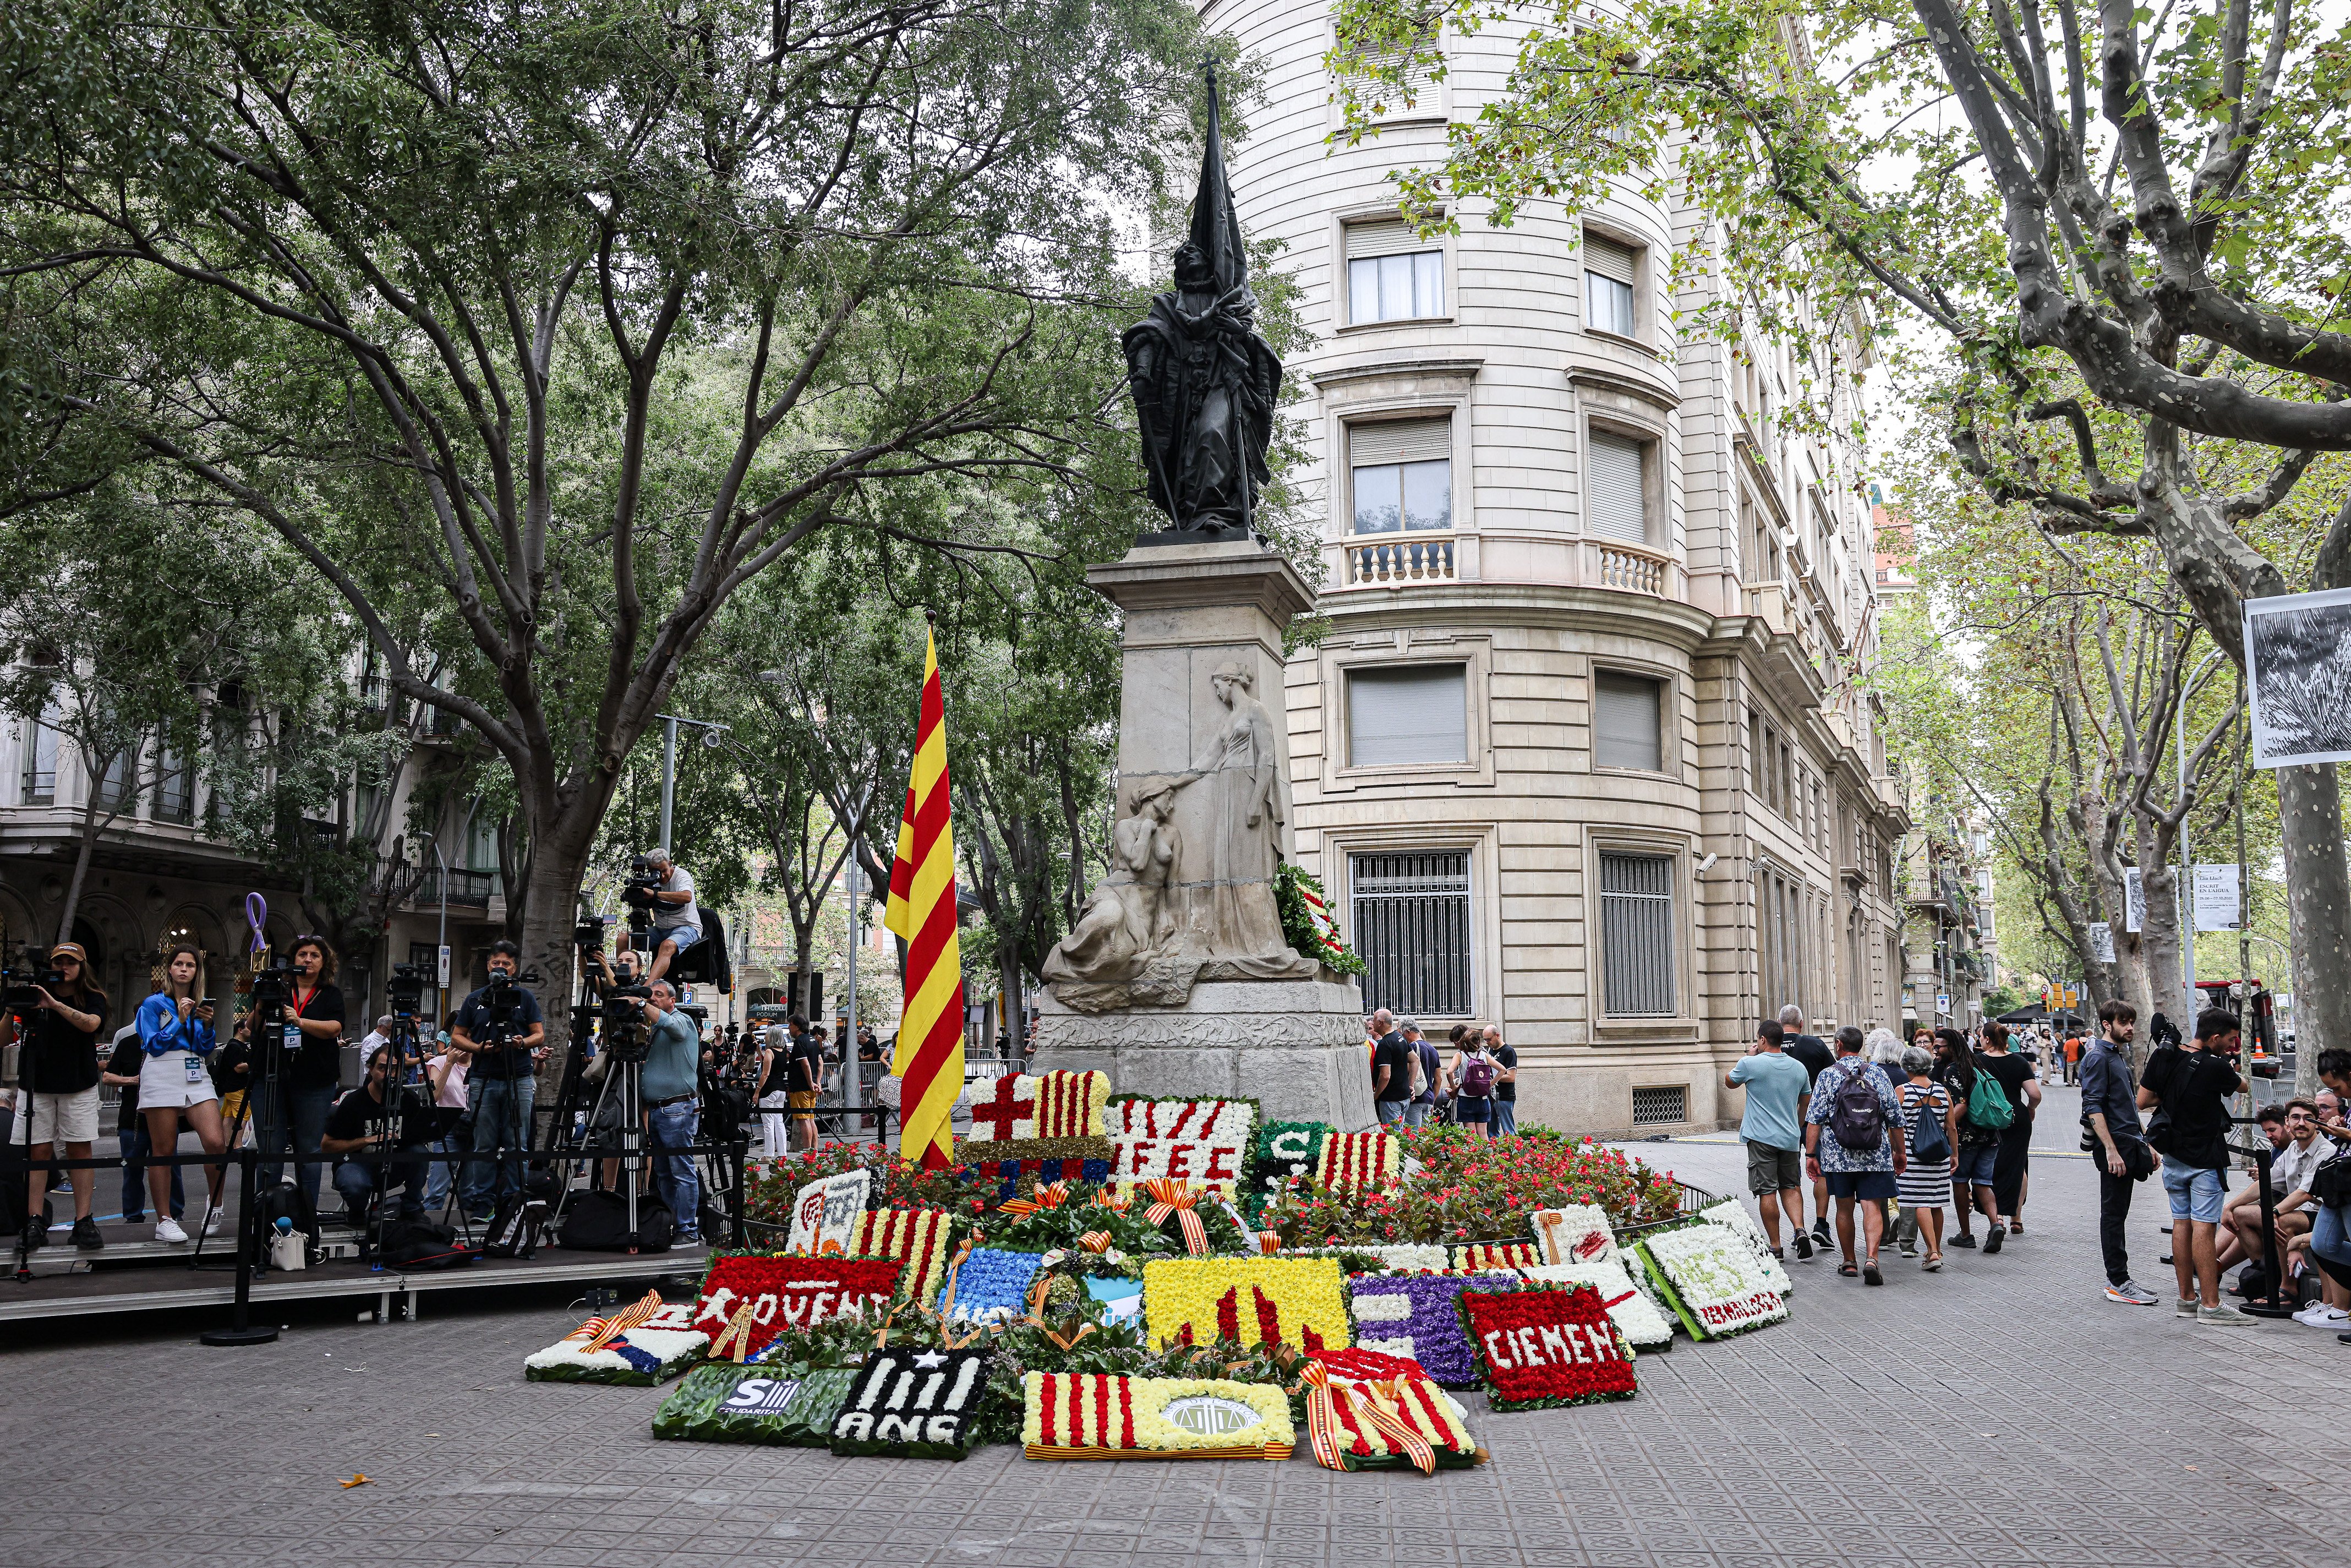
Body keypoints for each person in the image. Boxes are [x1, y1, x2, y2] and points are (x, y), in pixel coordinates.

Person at [2141, 1009, 2255, 1325]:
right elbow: (2243, 1086)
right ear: (2215, 1037)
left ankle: (2186, 1300)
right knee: (2205, 1227)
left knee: (2181, 1223)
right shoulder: (2217, 1066)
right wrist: (2231, 1070)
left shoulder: (2164, 1057)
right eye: (2231, 1041)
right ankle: (2211, 1304)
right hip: (2205, 1158)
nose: (2233, 1047)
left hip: (2173, 1154)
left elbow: (2142, 1100)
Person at [2, 942, 110, 1252]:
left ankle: (83, 1220)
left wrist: (53, 1003)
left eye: (71, 963)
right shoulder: (32, 994)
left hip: (78, 1084)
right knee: (37, 1153)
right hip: (37, 1083)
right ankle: (34, 1220)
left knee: (80, 1151)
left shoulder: (93, 997)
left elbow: (92, 1024)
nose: (64, 968)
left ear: (82, 967)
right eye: (59, 962)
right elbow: (2, 1038)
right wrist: (11, 1010)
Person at [134, 944, 231, 1241]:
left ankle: (215, 1204)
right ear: (169, 969)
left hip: (196, 1070)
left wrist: (208, 1024)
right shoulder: (152, 1004)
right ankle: (165, 1219)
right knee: (163, 1149)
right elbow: (153, 1044)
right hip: (162, 1070)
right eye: (178, 964)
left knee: (216, 1142)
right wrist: (179, 1017)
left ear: (196, 972)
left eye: (190, 965)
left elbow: (204, 1048)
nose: (184, 969)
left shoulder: (200, 1002)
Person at [1802, 1025, 1906, 1283]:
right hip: (1875, 1153)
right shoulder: (1879, 1075)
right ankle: (1872, 1258)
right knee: (1872, 1206)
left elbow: (1814, 1119)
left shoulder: (1828, 1076)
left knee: (1844, 1208)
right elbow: (1895, 1118)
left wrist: (1811, 1154)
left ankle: (1849, 1261)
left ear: (1838, 1045)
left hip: (1839, 1156)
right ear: (1861, 1047)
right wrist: (1899, 1152)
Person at [450, 939, 546, 1219]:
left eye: (506, 964)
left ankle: (515, 1201)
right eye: (496, 963)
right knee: (484, 1143)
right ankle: (483, 1202)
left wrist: (522, 1043)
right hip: (483, 1077)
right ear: (488, 966)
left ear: (514, 968)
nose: (501, 968)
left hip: (520, 1078)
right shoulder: (475, 999)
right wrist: (478, 1048)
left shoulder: (524, 997)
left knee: (518, 1142)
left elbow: (539, 1035)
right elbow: (457, 1035)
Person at [256, 933, 347, 1210]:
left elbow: (334, 1028)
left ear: (324, 963)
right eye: (302, 955)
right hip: (271, 1076)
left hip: (314, 1081)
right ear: (292, 960)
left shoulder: (331, 994)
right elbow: (253, 1027)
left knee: (309, 1149)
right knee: (270, 1149)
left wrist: (300, 1021)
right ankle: (266, 1211)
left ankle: (308, 1213)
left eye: (315, 955)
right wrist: (263, 1001)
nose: (308, 959)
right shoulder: (279, 989)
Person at [2079, 998, 2160, 1304]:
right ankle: (2118, 1282)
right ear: (2106, 1025)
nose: (2130, 1028)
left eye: (2132, 1022)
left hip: (2128, 1143)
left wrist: (2145, 1143)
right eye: (2123, 1023)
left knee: (2118, 1213)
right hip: (2116, 1148)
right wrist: (2111, 1151)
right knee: (2113, 1215)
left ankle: (2121, 1279)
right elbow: (2093, 1107)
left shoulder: (2116, 1057)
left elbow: (2127, 1109)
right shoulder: (2099, 1058)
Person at [1725, 1020, 1813, 1260]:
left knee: (1767, 1191)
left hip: (1761, 1137)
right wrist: (1798, 1125)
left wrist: (1749, 1055)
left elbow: (1730, 1082)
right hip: (1790, 1137)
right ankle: (1800, 1229)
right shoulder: (1798, 1068)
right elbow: (1806, 1101)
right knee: (1791, 1186)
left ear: (1762, 1039)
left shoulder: (1750, 1064)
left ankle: (1776, 1246)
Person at [320, 1042, 434, 1222]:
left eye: (395, 1069)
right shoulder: (353, 1102)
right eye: (382, 1068)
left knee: (420, 1153)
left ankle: (411, 1207)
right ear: (370, 1069)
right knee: (355, 1183)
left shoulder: (409, 1100)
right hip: (357, 1164)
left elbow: (418, 1139)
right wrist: (366, 1141)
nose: (389, 1074)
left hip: (393, 1163)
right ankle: (356, 1211)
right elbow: (326, 1146)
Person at [634, 979, 704, 1242]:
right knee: (664, 1173)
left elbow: (672, 1026)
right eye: (650, 995)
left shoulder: (681, 1020)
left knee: (681, 1172)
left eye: (658, 995)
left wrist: (640, 1002)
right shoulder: (654, 1028)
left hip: (676, 1109)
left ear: (672, 1001)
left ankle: (688, 1230)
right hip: (660, 1110)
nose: (653, 998)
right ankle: (672, 1226)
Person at [2221, 1101, 2319, 1278]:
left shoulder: (2324, 1150)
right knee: (2236, 1213)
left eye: (2272, 1130)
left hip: (2310, 1211)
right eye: (2296, 1118)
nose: (2301, 1124)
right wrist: (2228, 1207)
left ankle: (2274, 1281)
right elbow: (2267, 1181)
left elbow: (2304, 1193)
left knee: (2276, 1222)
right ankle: (2260, 1273)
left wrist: (2274, 1213)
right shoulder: (2289, 1150)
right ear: (2289, 1122)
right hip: (2285, 1203)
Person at [101, 1020, 183, 1228]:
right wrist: (135, 1080)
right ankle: (133, 1216)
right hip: (133, 1120)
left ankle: (175, 1213)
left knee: (171, 1168)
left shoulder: (172, 1044)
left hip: (165, 1118)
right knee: (132, 1170)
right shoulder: (128, 1043)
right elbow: (108, 1077)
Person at [1934, 1026, 2006, 1251]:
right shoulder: (1977, 1064)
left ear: (1951, 1047)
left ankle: (1966, 1234)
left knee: (1960, 1182)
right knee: (1984, 1182)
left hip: (1966, 1138)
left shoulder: (1952, 1070)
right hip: (1990, 1134)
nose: (1935, 1050)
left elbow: (1961, 1105)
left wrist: (1944, 1127)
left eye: (1939, 1046)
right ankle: (1995, 1223)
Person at [1976, 1021, 2041, 1240]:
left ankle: (1999, 1217)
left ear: (1986, 1039)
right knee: (2019, 1164)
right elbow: (2035, 1095)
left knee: (1992, 1164)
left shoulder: (1978, 1062)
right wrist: (2030, 1110)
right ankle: (2017, 1218)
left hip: (1989, 1119)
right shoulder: (2019, 1061)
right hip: (2017, 1118)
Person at [1895, 1045, 1957, 1270]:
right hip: (1939, 1155)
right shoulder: (1942, 1091)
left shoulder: (1902, 1091)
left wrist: (1897, 1152)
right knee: (1936, 1203)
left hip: (1912, 1156)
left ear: (1906, 1067)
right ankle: (1937, 1248)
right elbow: (1951, 1127)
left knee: (1920, 1203)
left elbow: (1896, 1126)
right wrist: (1955, 1154)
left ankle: (1932, 1252)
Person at [1779, 1004, 1833, 1248]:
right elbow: (1834, 1076)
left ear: (1780, 1024)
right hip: (1815, 1120)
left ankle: (1797, 1228)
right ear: (1802, 1024)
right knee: (1819, 1168)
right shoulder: (1815, 1045)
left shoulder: (1769, 1046)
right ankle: (1821, 1223)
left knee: (1792, 1178)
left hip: (1782, 1121)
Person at [633, 847, 702, 984]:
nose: (663, 876)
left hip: (687, 927)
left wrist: (655, 894)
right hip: (660, 930)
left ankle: (647, 988)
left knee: (667, 945)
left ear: (670, 863)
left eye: (665, 870)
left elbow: (687, 897)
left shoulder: (682, 876)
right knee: (623, 939)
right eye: (658, 872)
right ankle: (621, 982)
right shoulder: (649, 881)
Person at [421, 1031, 469, 1215]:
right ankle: (428, 1225)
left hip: (473, 1126)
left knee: (468, 1189)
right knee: (438, 1186)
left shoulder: (480, 1065)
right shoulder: (439, 1063)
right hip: (448, 1123)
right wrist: (449, 1063)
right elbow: (434, 1096)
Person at [1450, 1026, 1497, 1144]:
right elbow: (1502, 1069)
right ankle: (1489, 1160)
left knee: (1471, 1136)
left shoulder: (1460, 1055)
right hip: (1483, 1098)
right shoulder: (1484, 1054)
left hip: (1466, 1098)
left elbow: (1449, 1072)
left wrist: (1453, 1088)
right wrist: (1489, 1085)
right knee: (1484, 1134)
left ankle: (1474, 1161)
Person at [786, 1013, 825, 1152]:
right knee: (810, 1119)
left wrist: (810, 1082)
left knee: (803, 1120)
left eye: (790, 1025)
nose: (789, 1028)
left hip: (801, 1086)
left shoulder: (799, 1042)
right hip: (812, 1086)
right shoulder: (813, 1040)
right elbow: (820, 1062)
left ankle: (807, 1150)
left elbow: (805, 1064)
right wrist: (817, 1082)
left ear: (796, 1026)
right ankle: (814, 1150)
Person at [1369, 1009, 1412, 1126]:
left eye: (1373, 1020)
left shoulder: (1385, 1044)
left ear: (1380, 1022)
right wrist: (1411, 1085)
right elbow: (1415, 1060)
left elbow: (1385, 1075)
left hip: (1391, 1099)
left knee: (1392, 1136)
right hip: (1404, 1096)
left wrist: (1376, 1095)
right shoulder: (1401, 1038)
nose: (1372, 1023)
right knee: (1401, 1133)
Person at [1482, 1024, 1518, 1138]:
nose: (1487, 1042)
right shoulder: (1489, 1051)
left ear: (1497, 1036)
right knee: (1492, 1130)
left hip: (1505, 1096)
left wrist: (1492, 1079)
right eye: (1485, 1040)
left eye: (1489, 1039)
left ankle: (1512, 1150)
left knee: (1508, 1129)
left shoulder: (1508, 1051)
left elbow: (1511, 1077)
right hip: (1491, 1096)